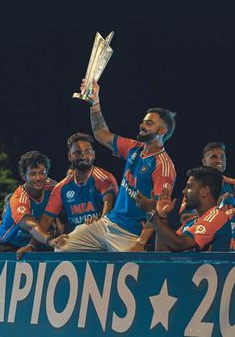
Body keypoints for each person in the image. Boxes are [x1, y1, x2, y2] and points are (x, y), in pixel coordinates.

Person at [56, 79, 176, 252]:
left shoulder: (163, 166)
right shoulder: (134, 148)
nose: (142, 125)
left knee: (128, 272)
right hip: (108, 224)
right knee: (62, 248)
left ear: (162, 131)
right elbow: (100, 133)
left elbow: (158, 212)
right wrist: (94, 103)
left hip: (131, 234)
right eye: (143, 121)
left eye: (149, 123)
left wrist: (141, 243)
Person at [17, 132, 118, 259]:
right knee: (60, 247)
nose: (83, 156)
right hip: (82, 241)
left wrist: (100, 221)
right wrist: (32, 245)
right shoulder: (61, 187)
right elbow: (46, 219)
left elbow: (109, 205)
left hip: (106, 232)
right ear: (69, 156)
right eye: (77, 152)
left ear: (93, 154)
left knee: (125, 250)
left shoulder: (104, 178)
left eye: (87, 151)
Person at [136, 166, 231, 252]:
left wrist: (151, 213)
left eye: (189, 187)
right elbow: (162, 253)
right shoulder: (191, 223)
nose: (184, 191)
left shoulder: (216, 216)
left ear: (204, 191)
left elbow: (178, 244)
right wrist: (162, 216)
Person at [180, 142, 235, 250]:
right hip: (210, 245)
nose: (219, 160)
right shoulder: (195, 188)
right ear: (204, 161)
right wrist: (215, 211)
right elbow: (184, 218)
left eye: (222, 157)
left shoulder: (233, 184)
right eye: (214, 157)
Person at [0, 151, 57, 251]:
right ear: (23, 176)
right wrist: (50, 240)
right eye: (32, 174)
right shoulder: (19, 198)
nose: (38, 178)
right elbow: (32, 227)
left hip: (33, 243)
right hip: (7, 245)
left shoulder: (52, 186)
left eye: (42, 173)